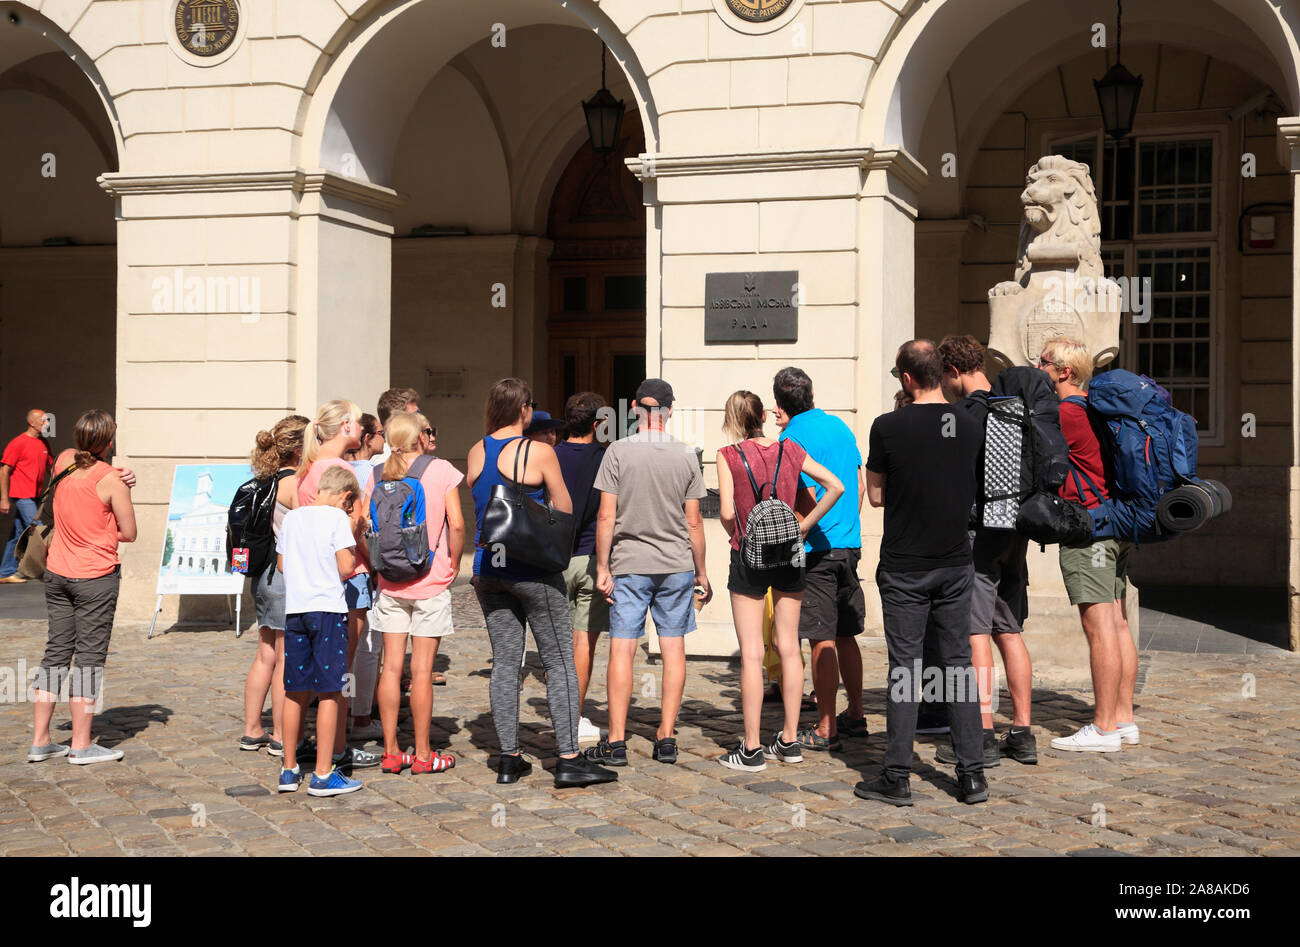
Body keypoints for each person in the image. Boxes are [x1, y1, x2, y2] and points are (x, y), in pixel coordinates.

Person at [467, 378, 617, 787]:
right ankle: (568, 758)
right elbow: (563, 506)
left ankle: (509, 758)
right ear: (523, 410)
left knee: (505, 663)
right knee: (560, 662)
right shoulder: (538, 451)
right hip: (531, 569)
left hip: (488, 570)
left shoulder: (476, 451)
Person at [858, 341, 987, 806]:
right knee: (958, 666)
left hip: (905, 566)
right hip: (955, 562)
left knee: (905, 671)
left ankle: (897, 775)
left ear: (907, 378)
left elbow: (875, 496)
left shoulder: (888, 426)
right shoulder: (971, 423)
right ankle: (972, 773)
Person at [715, 391, 843, 772]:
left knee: (752, 652)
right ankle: (789, 739)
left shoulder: (728, 456)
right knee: (789, 645)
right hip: (790, 552)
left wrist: (736, 531)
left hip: (748, 554)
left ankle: (752, 747)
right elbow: (835, 486)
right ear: (764, 416)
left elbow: (725, 511)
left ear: (735, 421)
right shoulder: (790, 450)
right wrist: (802, 527)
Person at [586, 378, 710, 767]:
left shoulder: (618, 452)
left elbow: (606, 514)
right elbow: (694, 524)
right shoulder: (687, 454)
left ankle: (618, 739)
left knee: (622, 647)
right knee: (673, 648)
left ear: (636, 409)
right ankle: (667, 736)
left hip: (629, 563)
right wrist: (701, 572)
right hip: (675, 564)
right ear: (670, 411)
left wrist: (602, 566)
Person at [932, 335, 1037, 766]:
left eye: (944, 376)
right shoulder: (1014, 406)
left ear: (954, 372)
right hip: (1014, 532)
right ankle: (1024, 732)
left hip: (976, 535)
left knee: (975, 632)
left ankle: (984, 733)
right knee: (1009, 631)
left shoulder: (959, 416)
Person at [1039, 337, 1138, 753]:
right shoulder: (1094, 408)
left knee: (1098, 628)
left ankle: (1102, 729)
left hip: (1088, 529)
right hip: (1115, 521)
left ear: (1064, 372)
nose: (1037, 368)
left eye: (1043, 362)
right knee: (1116, 623)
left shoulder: (1065, 412)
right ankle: (1123, 719)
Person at [27, 410, 136, 764]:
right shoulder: (111, 480)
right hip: (95, 575)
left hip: (57, 571)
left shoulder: (63, 460)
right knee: (89, 659)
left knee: (56, 652)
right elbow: (129, 533)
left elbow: (82, 472)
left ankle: (41, 740)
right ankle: (81, 743)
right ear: (109, 441)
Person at [772, 367, 867, 751]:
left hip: (816, 549)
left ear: (780, 403)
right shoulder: (840, 427)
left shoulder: (792, 436)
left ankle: (826, 727)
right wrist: (849, 525)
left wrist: (805, 527)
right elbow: (858, 484)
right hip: (849, 543)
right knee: (846, 634)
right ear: (811, 394)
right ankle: (856, 713)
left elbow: (800, 491)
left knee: (820, 638)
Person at [370, 412, 463, 775]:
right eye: (429, 430)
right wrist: (453, 562)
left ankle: (392, 752)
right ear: (420, 437)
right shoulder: (439, 469)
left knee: (391, 668)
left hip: (390, 582)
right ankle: (424, 755)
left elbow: (363, 524)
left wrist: (377, 564)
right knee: (422, 671)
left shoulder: (378, 473)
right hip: (430, 579)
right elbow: (456, 523)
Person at [297, 400, 381, 771]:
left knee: (308, 670)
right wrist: (374, 562)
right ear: (346, 425)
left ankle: (305, 744)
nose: (362, 430)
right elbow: (356, 527)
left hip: (312, 576)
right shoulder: (345, 470)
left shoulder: (307, 470)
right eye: (359, 423)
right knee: (342, 670)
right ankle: (338, 746)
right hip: (347, 573)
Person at [275, 464, 366, 796]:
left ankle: (288, 769)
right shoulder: (337, 519)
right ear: (345, 497)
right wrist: (354, 536)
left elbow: (283, 564)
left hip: (296, 609)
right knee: (331, 690)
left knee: (295, 690)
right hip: (327, 609)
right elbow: (346, 567)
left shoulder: (294, 517)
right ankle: (324, 774)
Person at [239, 415, 309, 757]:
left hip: (262, 575)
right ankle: (282, 734)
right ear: (299, 449)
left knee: (265, 653)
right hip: (285, 574)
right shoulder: (296, 484)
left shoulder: (262, 481)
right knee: (286, 657)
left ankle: (252, 729)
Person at [554, 392, 609, 743]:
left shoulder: (551, 455)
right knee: (583, 643)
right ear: (597, 423)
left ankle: (561, 714)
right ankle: (573, 717)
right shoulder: (606, 457)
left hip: (554, 559)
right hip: (590, 558)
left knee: (556, 644)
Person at [1, 409, 53, 584]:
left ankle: (5, 572)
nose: (47, 423)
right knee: (38, 530)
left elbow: (52, 469)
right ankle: (49, 570)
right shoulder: (18, 443)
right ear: (32, 422)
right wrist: (4, 498)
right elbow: (4, 470)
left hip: (35, 495)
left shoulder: (43, 443)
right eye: (44, 421)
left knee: (18, 534)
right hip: (22, 495)